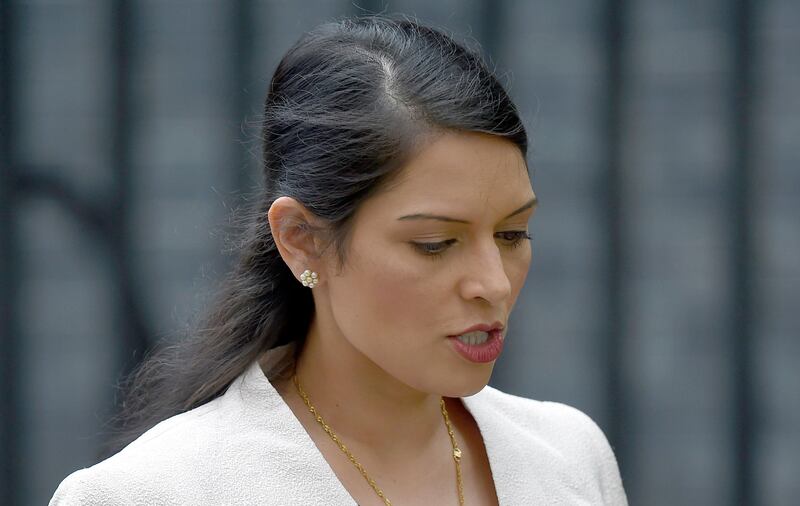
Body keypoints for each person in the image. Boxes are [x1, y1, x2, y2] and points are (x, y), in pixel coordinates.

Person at [49, 14, 627, 505]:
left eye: (512, 233)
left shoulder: (569, 459)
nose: (492, 284)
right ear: (302, 239)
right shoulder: (150, 493)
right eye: (435, 243)